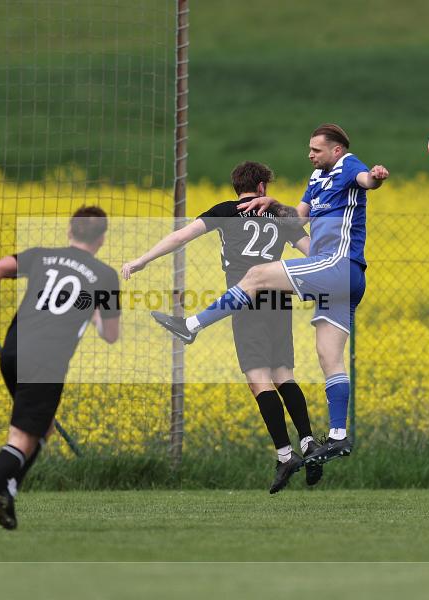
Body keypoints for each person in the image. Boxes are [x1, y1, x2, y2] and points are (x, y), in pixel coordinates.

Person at [151, 124, 389, 466]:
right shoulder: (315, 180)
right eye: (309, 149)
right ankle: (338, 437)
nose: (310, 154)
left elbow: (367, 181)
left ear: (336, 150)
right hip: (341, 279)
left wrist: (377, 177)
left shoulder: (349, 165)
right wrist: (275, 203)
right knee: (328, 357)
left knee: (257, 275)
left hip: (337, 265)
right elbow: (299, 219)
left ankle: (191, 325)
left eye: (316, 150)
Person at [124, 161, 322, 493]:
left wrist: (143, 260)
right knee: (283, 373)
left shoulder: (226, 211)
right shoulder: (277, 215)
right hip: (278, 301)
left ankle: (286, 455)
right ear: (261, 188)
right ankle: (308, 442)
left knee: (258, 379)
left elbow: (181, 236)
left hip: (243, 301)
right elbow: (313, 252)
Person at [0, 206, 121, 531]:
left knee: (43, 429)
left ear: (70, 232)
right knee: (21, 440)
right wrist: (97, 313)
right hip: (45, 360)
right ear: (101, 238)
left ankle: (9, 489)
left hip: (13, 351)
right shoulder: (104, 275)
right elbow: (111, 336)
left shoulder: (42, 256)